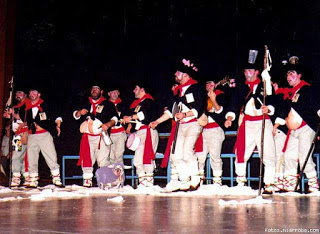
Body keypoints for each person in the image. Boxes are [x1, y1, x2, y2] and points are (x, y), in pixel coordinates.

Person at [150, 58, 204, 192]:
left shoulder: (197, 88)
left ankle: (195, 179)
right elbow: (170, 111)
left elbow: (199, 107)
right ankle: (185, 180)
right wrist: (157, 121)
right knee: (175, 155)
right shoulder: (177, 92)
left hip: (193, 124)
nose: (175, 75)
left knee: (187, 151)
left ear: (186, 75)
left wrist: (185, 115)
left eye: (178, 73)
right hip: (181, 126)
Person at [231, 51, 276, 194]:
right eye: (245, 71)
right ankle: (240, 182)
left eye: (250, 70)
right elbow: (234, 103)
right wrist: (230, 116)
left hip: (263, 122)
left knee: (268, 153)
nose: (247, 73)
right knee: (241, 152)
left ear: (257, 72)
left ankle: (269, 183)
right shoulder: (241, 88)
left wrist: (268, 109)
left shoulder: (265, 85)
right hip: (248, 123)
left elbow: (273, 101)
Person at [279, 64, 319, 192]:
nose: (288, 77)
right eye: (287, 74)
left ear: (299, 75)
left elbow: (316, 104)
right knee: (289, 156)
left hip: (306, 128)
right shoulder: (291, 92)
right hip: (294, 131)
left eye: (292, 73)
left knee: (304, 157)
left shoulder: (307, 89)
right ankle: (290, 185)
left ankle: (313, 185)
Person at [74, 84, 117, 187]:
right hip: (87, 137)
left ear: (101, 91)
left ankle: (104, 180)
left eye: (97, 89)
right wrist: (79, 113)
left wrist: (108, 124)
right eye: (92, 88)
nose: (94, 90)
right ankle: (87, 180)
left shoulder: (107, 104)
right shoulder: (84, 102)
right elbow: (75, 115)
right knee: (87, 158)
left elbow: (115, 118)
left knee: (103, 158)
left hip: (101, 136)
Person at [195, 79, 235, 186]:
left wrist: (213, 99)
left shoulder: (221, 95)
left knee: (215, 156)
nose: (209, 85)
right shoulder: (202, 98)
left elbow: (220, 110)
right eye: (207, 84)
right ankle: (198, 179)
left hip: (215, 129)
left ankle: (217, 181)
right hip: (202, 130)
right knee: (200, 155)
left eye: (212, 83)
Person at [122, 82, 159, 188]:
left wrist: (131, 117)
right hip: (139, 133)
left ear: (142, 90)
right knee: (138, 160)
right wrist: (128, 120)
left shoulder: (149, 101)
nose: (134, 91)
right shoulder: (137, 103)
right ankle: (142, 183)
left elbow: (145, 114)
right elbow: (131, 115)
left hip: (148, 132)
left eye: (136, 88)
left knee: (147, 157)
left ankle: (149, 184)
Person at [25, 87, 63, 188]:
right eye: (30, 92)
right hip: (32, 136)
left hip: (44, 134)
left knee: (51, 156)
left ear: (39, 94)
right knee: (31, 157)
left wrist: (58, 126)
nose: (32, 94)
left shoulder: (46, 105)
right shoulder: (26, 106)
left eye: (34, 92)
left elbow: (57, 116)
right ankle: (33, 180)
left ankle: (56, 178)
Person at [3, 90, 31, 187]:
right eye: (17, 94)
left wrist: (13, 114)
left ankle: (16, 178)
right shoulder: (15, 107)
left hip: (24, 133)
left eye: (20, 93)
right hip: (17, 135)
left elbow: (24, 118)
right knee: (20, 157)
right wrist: (8, 115)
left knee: (17, 156)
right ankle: (25, 178)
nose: (18, 95)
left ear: (25, 94)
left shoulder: (27, 103)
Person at [107, 86, 127, 164]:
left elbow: (129, 116)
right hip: (110, 133)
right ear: (109, 94)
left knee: (119, 155)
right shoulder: (105, 104)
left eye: (116, 92)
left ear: (118, 93)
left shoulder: (124, 104)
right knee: (111, 156)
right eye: (112, 92)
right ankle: (112, 175)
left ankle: (120, 175)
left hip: (120, 133)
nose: (114, 94)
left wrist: (128, 127)